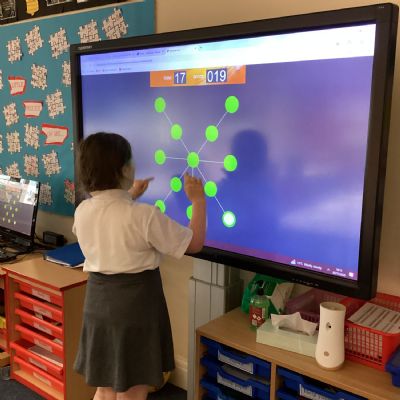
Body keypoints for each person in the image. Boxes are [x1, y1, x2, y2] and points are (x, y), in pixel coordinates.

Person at [72, 132, 206, 400]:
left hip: (98, 305)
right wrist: (198, 201)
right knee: (133, 390)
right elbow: (193, 244)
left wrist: (130, 194)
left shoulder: (83, 210)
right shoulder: (144, 216)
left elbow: (112, 220)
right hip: (134, 310)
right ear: (124, 170)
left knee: (105, 386)